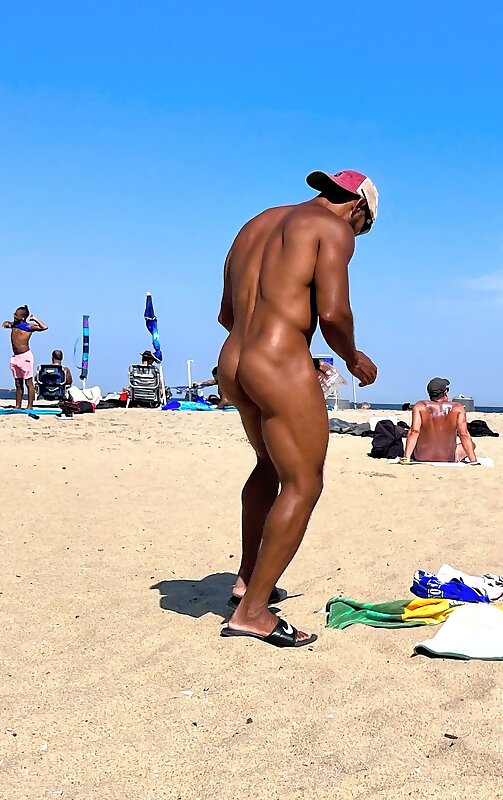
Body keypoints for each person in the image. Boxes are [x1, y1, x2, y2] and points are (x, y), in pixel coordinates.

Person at [217, 168, 378, 648]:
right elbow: (333, 312)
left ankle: (247, 579)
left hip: (233, 361)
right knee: (304, 483)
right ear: (358, 207)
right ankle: (253, 611)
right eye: (363, 228)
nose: (356, 236)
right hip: (277, 362)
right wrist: (352, 357)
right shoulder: (331, 228)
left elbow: (227, 313)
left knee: (268, 466)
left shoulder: (257, 224)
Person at [400, 378, 479, 464]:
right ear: (445, 392)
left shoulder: (420, 406)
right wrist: (473, 461)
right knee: (472, 445)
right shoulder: (457, 408)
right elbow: (463, 434)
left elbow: (414, 432)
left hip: (422, 456)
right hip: (448, 458)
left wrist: (406, 457)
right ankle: (472, 459)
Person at [3, 305, 48, 409]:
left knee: (28, 382)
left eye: (16, 315)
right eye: (14, 314)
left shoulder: (28, 327)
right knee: (18, 383)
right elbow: (6, 323)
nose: (14, 316)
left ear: (23, 317)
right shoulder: (14, 325)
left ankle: (29, 406)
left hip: (25, 357)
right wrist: (6, 323)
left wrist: (35, 319)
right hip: (15, 357)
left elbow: (44, 327)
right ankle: (18, 405)